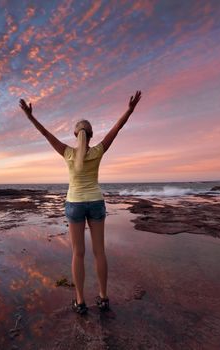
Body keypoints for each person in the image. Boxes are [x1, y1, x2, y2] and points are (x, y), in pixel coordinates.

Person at [19, 91, 142, 314]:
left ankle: (80, 302)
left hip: (74, 204)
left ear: (75, 135)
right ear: (91, 135)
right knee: (99, 252)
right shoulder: (97, 151)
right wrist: (129, 110)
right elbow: (117, 129)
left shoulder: (67, 152)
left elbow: (46, 134)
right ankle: (104, 299)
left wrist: (30, 117)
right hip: (96, 202)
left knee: (78, 253)